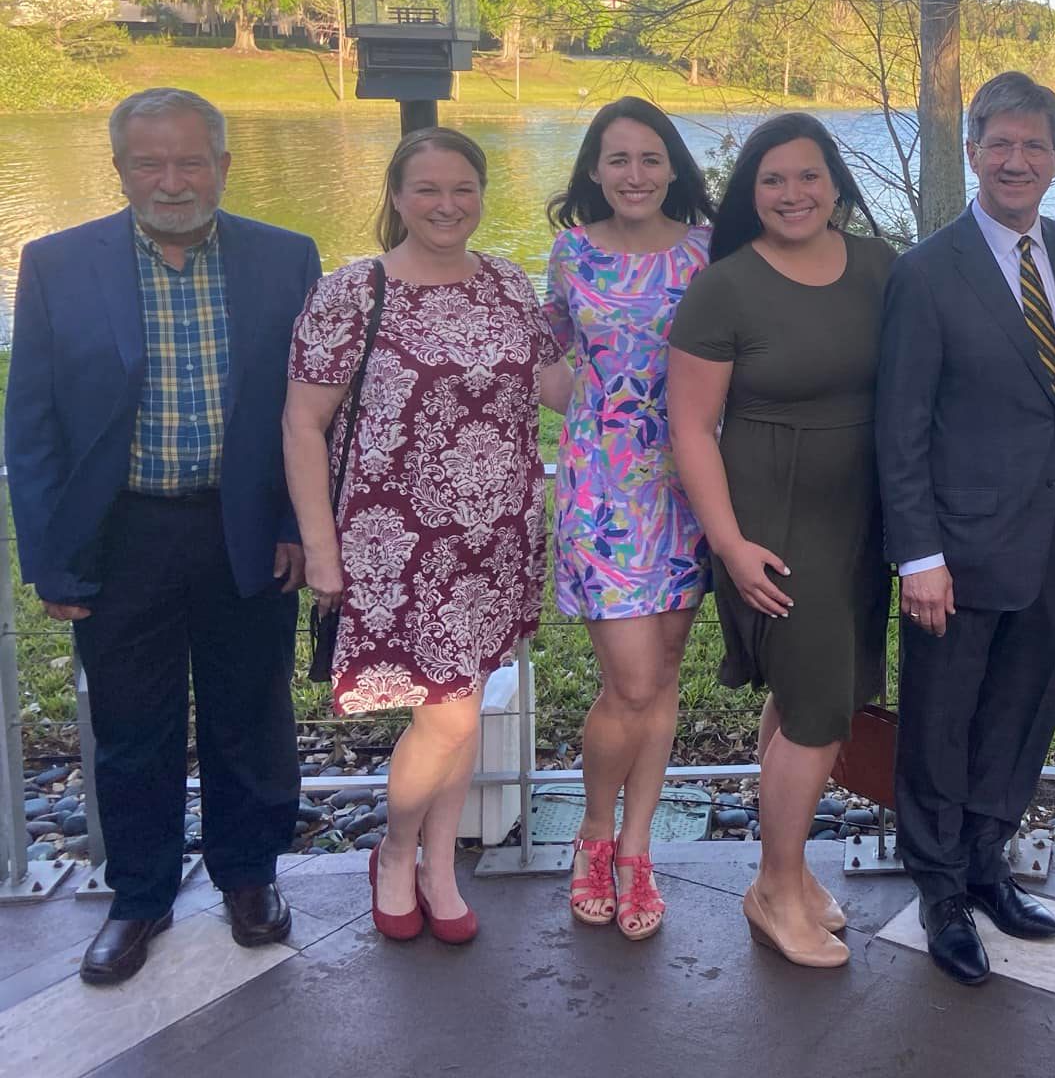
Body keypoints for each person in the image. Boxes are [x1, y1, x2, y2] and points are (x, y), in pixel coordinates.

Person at [4, 89, 320, 984]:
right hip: (123, 533)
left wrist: (299, 522)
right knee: (131, 725)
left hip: (246, 527)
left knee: (249, 712)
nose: (171, 181)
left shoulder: (284, 256)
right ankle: (139, 896)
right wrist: (51, 555)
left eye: (190, 161)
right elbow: (30, 425)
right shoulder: (57, 263)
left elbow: (313, 414)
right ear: (119, 169)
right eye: (149, 163)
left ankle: (249, 880)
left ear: (223, 165)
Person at [283, 128, 567, 946]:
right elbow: (303, 425)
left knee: (463, 706)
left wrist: (645, 336)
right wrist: (322, 548)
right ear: (397, 197)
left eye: (463, 189)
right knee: (443, 717)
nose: (448, 206)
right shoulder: (353, 293)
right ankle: (397, 848)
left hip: (496, 538)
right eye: (429, 190)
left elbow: (556, 389)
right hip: (393, 542)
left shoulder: (510, 285)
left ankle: (440, 864)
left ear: (482, 194)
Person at [876, 71, 1055, 986]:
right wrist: (919, 555)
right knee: (941, 717)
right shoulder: (926, 270)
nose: (1017, 160)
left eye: (1035, 144)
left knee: (1024, 708)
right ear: (972, 151)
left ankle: (987, 860)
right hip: (960, 544)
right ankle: (938, 887)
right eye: (999, 143)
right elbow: (900, 427)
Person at [668, 114, 896, 970]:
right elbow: (691, 429)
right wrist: (729, 543)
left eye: (808, 176)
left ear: (836, 182)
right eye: (773, 179)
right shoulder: (724, 287)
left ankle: (791, 876)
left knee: (816, 692)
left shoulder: (880, 267)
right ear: (750, 193)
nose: (793, 193)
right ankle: (772, 888)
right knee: (819, 710)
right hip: (776, 518)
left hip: (865, 516)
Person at [543, 97, 716, 940]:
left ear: (674, 166)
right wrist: (590, 410)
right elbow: (544, 357)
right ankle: (592, 835)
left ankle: (638, 846)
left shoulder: (708, 254)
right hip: (603, 494)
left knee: (667, 670)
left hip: (689, 487)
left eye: (650, 158)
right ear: (594, 171)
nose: (635, 175)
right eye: (617, 160)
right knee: (632, 681)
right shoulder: (571, 254)